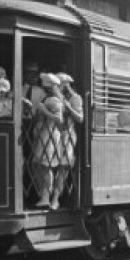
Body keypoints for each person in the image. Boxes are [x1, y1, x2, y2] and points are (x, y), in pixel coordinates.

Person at [29, 73, 64, 207]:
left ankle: (46, 197)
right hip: (42, 134)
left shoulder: (54, 100)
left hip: (49, 135)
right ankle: (43, 194)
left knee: (45, 164)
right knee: (38, 164)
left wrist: (45, 111)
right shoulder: (47, 98)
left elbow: (59, 120)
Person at [51, 73, 83, 210]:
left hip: (67, 135)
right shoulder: (55, 95)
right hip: (53, 133)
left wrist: (68, 107)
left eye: (61, 84)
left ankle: (55, 198)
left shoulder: (75, 98)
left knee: (63, 167)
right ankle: (46, 195)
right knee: (46, 164)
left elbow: (80, 119)